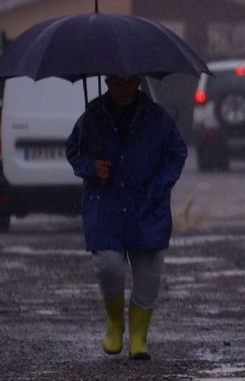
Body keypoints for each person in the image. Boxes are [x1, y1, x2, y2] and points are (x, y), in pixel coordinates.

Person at [64, 74, 187, 360]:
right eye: (115, 83)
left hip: (147, 206)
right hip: (105, 205)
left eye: (128, 82)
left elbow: (176, 153)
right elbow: (73, 150)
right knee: (108, 266)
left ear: (139, 81)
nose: (121, 89)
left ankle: (139, 337)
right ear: (106, 82)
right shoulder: (92, 115)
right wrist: (92, 167)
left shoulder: (157, 118)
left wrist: (158, 185)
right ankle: (115, 323)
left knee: (148, 275)